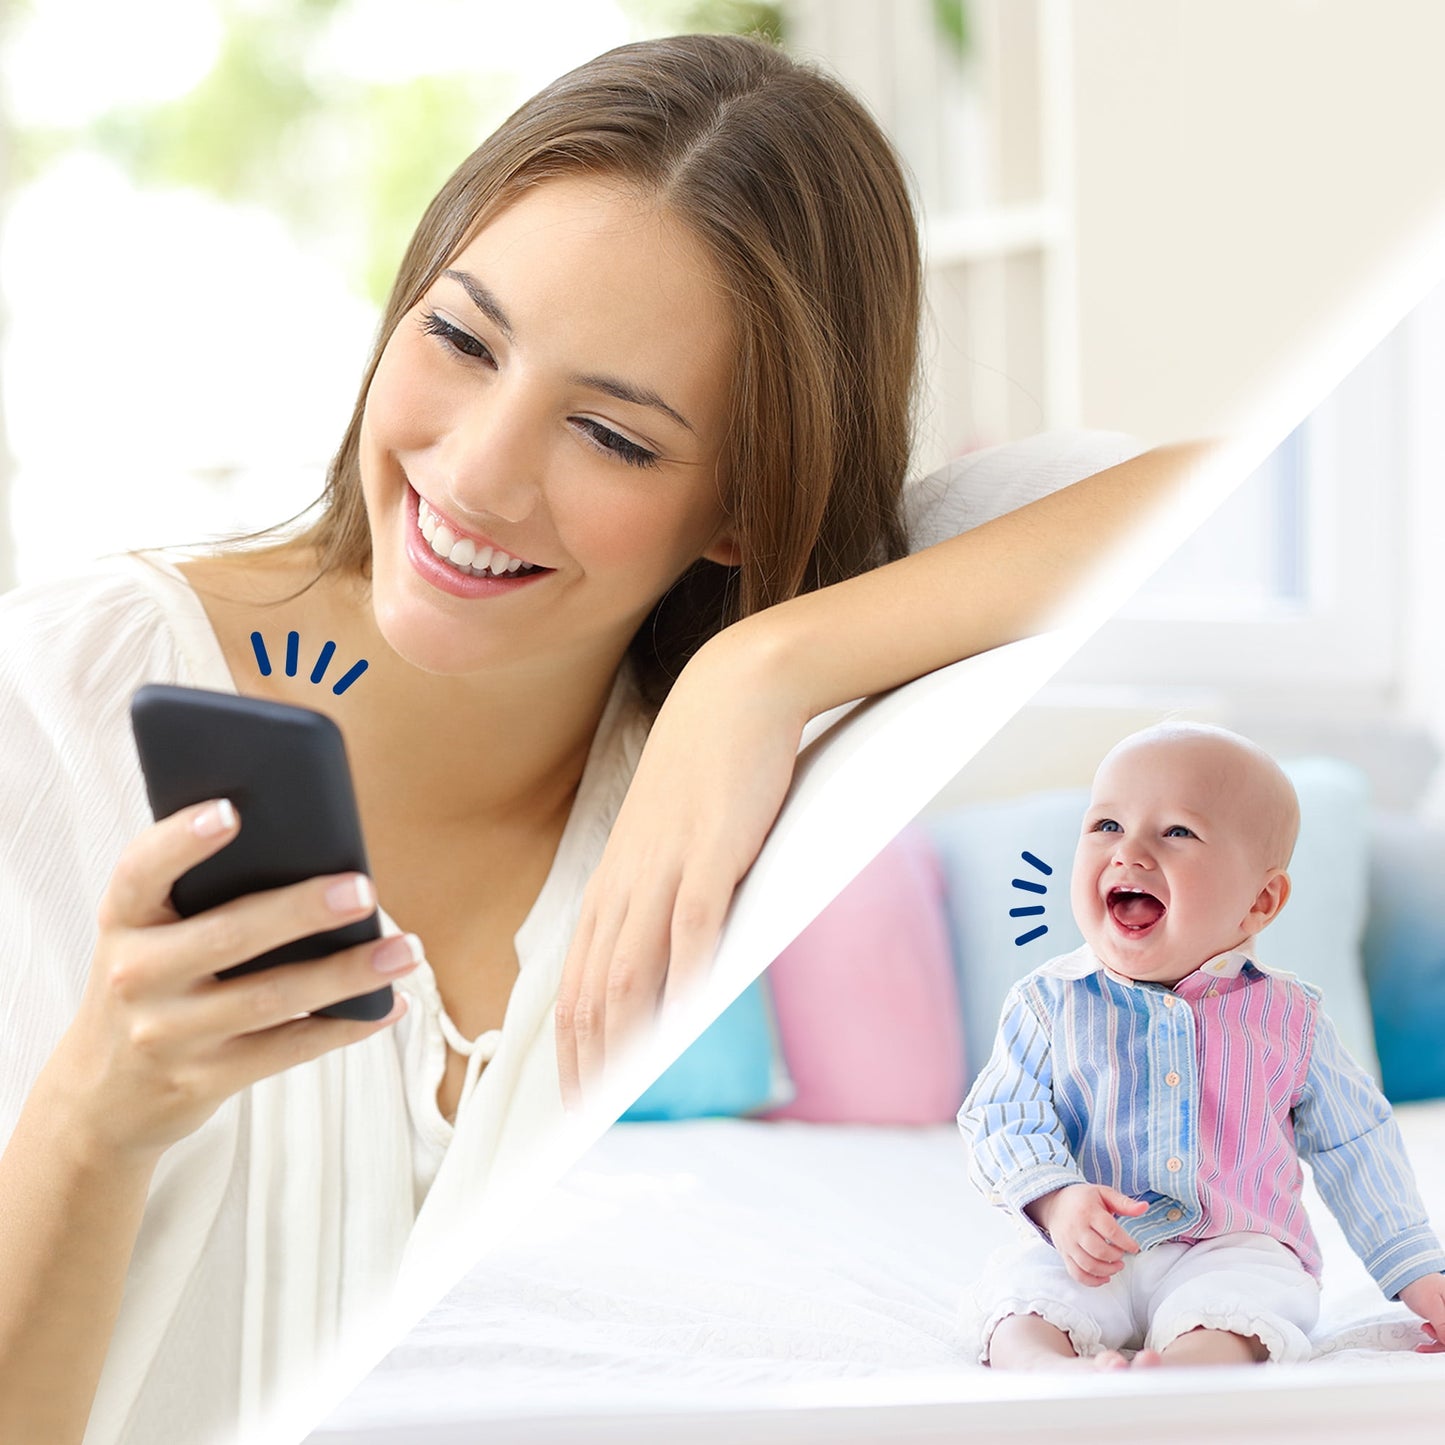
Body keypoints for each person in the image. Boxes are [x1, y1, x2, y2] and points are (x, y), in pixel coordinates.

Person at [0, 32, 1198, 1445]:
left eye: (613, 438)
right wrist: (94, 1117)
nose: (478, 471)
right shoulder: (57, 705)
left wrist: (760, 667)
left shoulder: (730, 741)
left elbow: (1183, 486)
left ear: (745, 510)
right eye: (460, 339)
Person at [959, 722, 1445, 1370]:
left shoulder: (1289, 1019)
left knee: (1243, 1303)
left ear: (1258, 900)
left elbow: (1355, 1143)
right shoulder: (1047, 1003)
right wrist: (1055, 1196)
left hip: (1230, 1243)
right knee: (1022, 1292)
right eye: (1105, 824)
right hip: (1089, 1244)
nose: (1127, 851)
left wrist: (1416, 1272)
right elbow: (1000, 1114)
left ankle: (1185, 1372)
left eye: (1176, 831)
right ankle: (1051, 1372)